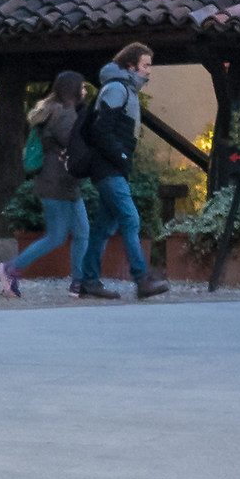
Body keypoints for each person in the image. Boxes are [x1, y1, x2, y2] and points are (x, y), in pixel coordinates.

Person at [79, 44, 170, 299]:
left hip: (110, 166)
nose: (149, 71)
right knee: (130, 219)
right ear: (131, 66)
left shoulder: (122, 89)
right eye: (146, 65)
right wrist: (120, 155)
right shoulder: (118, 89)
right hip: (109, 167)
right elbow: (101, 129)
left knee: (103, 227)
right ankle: (142, 279)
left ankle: (89, 281)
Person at [0, 72, 91, 298]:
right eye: (83, 87)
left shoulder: (53, 110)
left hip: (62, 183)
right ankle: (11, 268)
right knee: (57, 236)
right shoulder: (65, 114)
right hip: (56, 185)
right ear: (73, 90)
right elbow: (77, 144)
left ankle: (78, 283)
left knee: (82, 232)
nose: (85, 91)